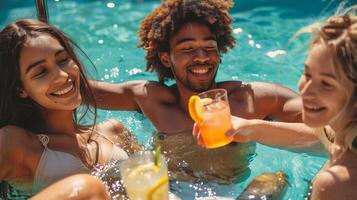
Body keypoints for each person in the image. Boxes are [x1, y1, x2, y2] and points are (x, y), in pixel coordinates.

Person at [91, 0, 317, 183]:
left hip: (232, 190)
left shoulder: (255, 99)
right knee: (108, 131)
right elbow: (79, 91)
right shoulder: (150, 99)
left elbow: (334, 129)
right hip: (169, 189)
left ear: (219, 53)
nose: (201, 57)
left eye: (209, 47)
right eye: (188, 49)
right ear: (166, 58)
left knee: (275, 180)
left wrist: (254, 129)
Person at [0, 19, 141, 198]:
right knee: (87, 187)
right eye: (41, 72)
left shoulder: (114, 131)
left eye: (63, 60)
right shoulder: (16, 144)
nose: (63, 75)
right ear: (21, 90)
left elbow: (167, 177)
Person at [226, 12, 357, 199]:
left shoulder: (335, 184)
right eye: (308, 74)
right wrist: (252, 129)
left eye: (326, 84)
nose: (306, 91)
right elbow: (324, 139)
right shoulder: (347, 136)